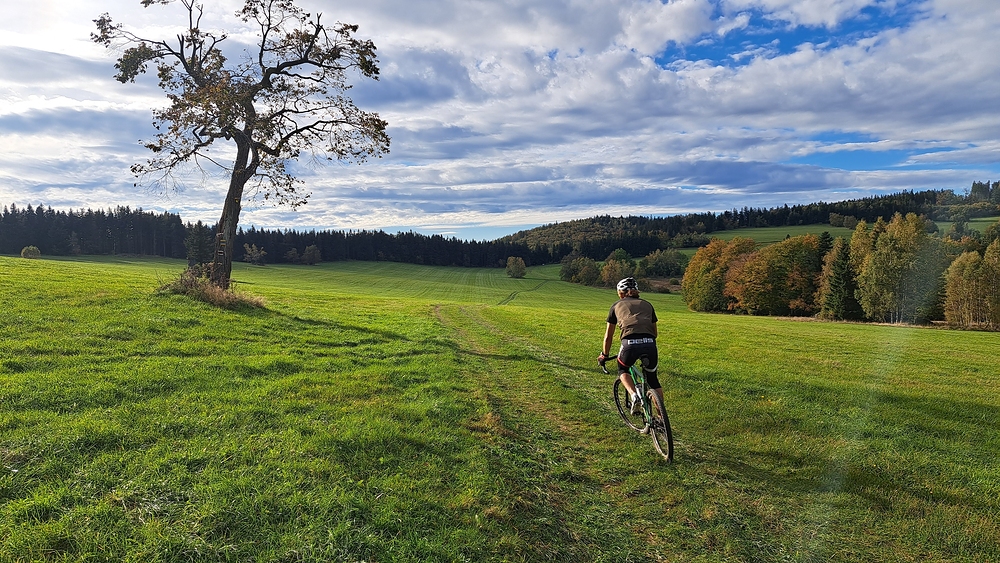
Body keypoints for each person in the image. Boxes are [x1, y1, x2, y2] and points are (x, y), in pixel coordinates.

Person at [598, 277, 664, 418]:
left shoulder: (616, 306)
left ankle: (634, 396)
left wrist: (604, 355)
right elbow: (655, 333)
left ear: (621, 293)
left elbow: (608, 336)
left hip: (629, 344)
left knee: (622, 369)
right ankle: (661, 419)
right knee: (652, 380)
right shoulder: (648, 305)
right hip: (650, 344)